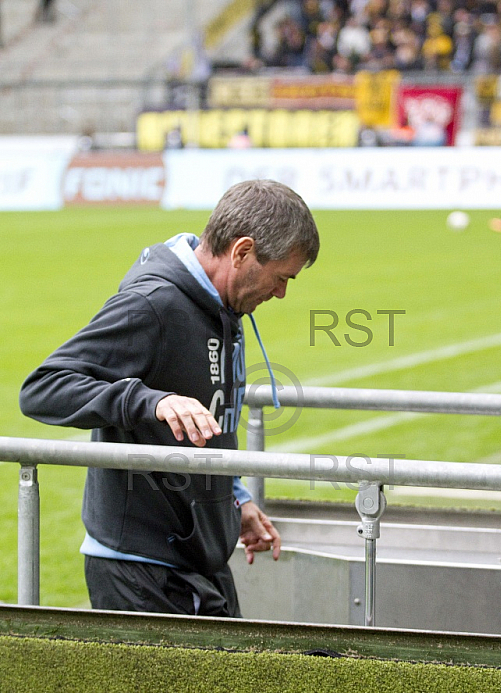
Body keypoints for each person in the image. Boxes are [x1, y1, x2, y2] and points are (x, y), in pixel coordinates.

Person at [19, 179, 320, 617]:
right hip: (141, 571)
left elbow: (212, 418)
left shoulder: (225, 305)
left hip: (201, 557)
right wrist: (149, 401)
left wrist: (234, 498)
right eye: (281, 278)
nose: (281, 293)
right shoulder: (153, 304)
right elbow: (43, 388)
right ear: (242, 252)